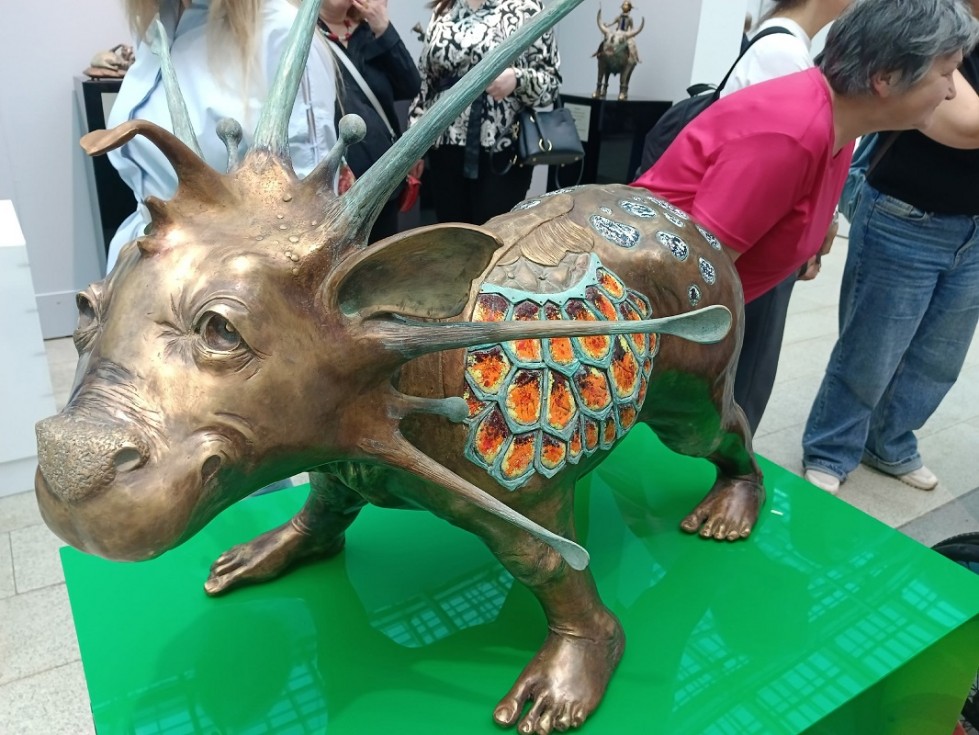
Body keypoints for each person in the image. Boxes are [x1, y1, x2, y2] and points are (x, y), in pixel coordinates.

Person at [632, 0, 978, 437]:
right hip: (637, 320)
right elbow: (692, 282)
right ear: (886, 77)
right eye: (947, 73)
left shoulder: (838, 128)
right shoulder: (792, 134)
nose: (951, 93)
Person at [802, 0, 979, 495]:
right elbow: (964, 123)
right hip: (906, 213)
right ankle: (832, 448)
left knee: (939, 357)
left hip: (973, 227)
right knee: (871, 349)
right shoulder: (939, 23)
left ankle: (890, 441)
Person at [106, 0, 339, 272]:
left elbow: (308, 225)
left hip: (222, 284)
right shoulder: (158, 28)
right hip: (139, 266)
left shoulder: (280, 32)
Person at [720, 0, 853, 434]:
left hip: (759, 232)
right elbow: (781, 169)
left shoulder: (785, 46)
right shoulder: (783, 54)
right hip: (761, 237)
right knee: (747, 366)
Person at [408, 0, 561, 225]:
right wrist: (413, 145)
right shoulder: (445, 8)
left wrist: (518, 79)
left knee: (495, 234)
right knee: (447, 234)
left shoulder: (526, 7)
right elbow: (426, 84)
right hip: (444, 145)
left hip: (502, 148)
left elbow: (551, 82)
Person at [317, 0, 420, 243]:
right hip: (336, 186)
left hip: (383, 175)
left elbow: (410, 85)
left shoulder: (368, 32)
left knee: (383, 257)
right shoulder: (308, 39)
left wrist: (383, 27)